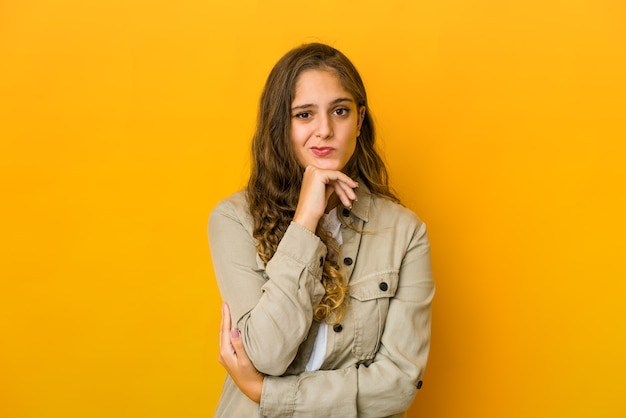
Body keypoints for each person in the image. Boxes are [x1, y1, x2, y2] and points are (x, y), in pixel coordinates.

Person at [208, 42, 434, 417]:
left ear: (359, 121)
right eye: (304, 115)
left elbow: (398, 384)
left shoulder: (405, 233)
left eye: (340, 111)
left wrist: (266, 392)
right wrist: (305, 220)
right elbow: (267, 353)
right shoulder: (233, 219)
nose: (325, 130)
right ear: (282, 125)